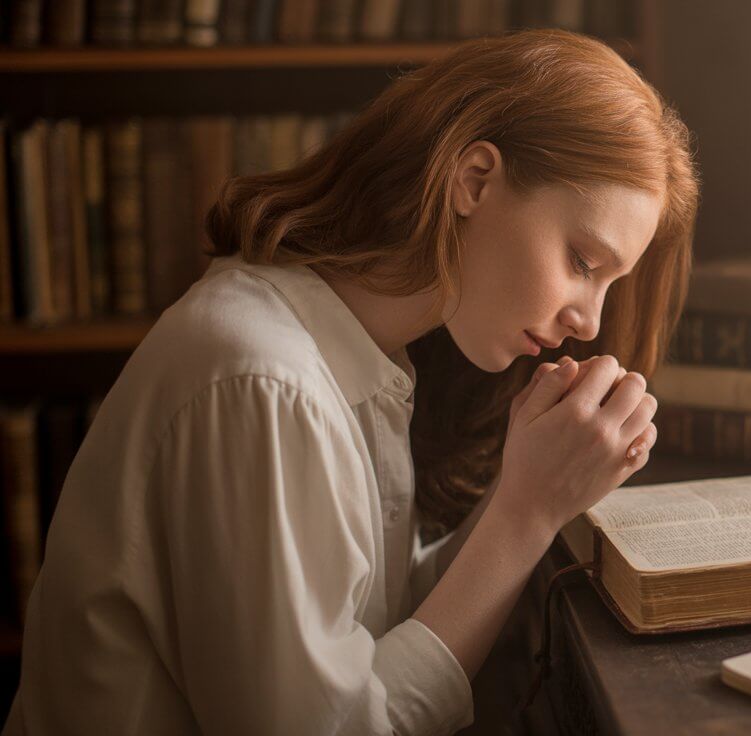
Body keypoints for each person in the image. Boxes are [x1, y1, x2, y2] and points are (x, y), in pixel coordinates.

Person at [3, 30, 698, 735]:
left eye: (612, 282)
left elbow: (376, 629)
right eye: (582, 260)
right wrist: (526, 515)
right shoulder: (267, 384)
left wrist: (529, 492)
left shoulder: (355, 356)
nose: (589, 320)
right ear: (474, 180)